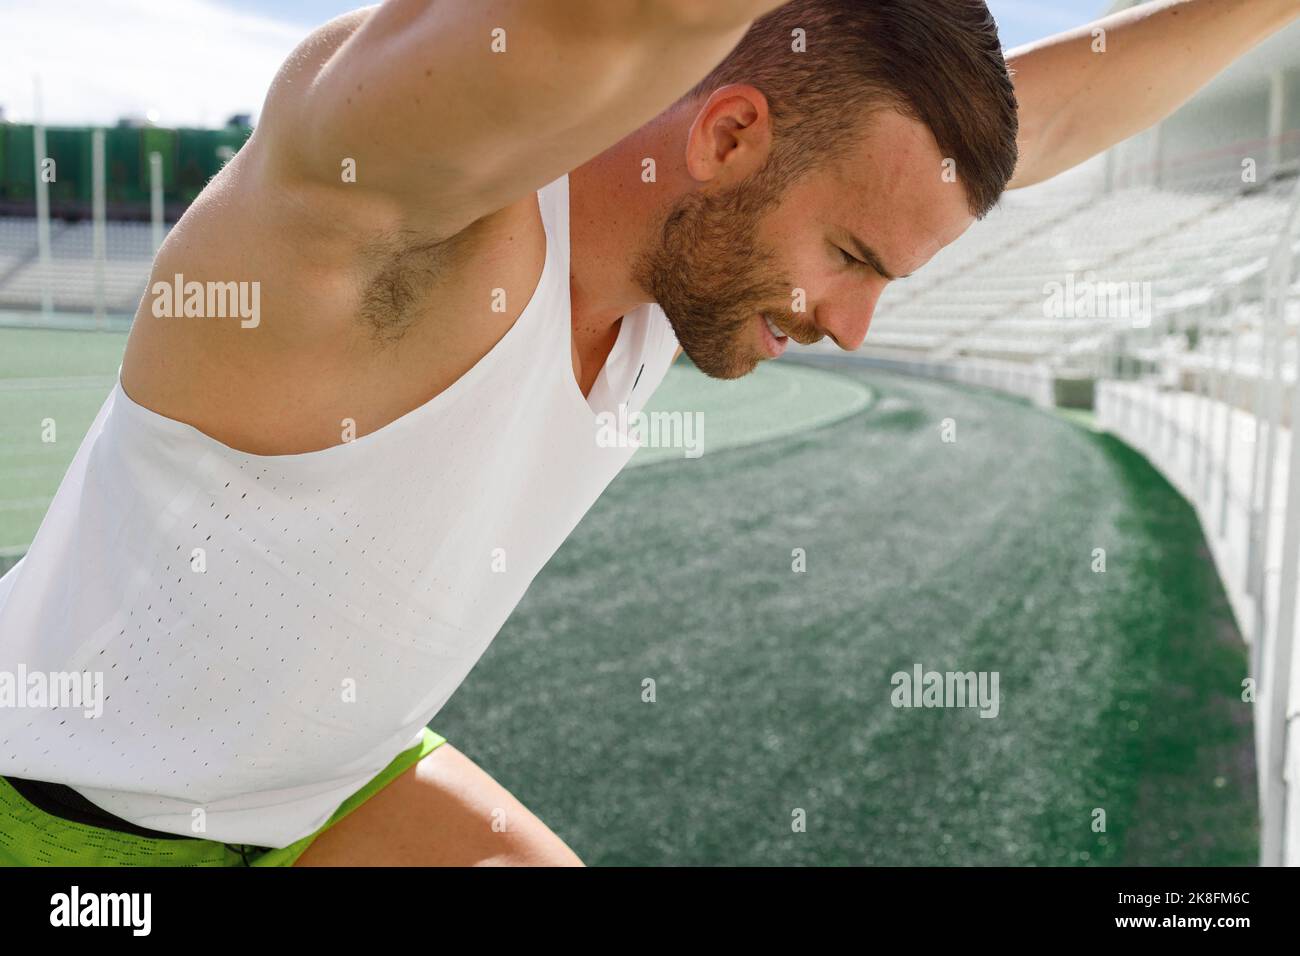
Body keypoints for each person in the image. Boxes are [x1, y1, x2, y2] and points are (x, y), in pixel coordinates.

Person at [1, 0, 1296, 866]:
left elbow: (1039, 120)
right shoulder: (387, 227)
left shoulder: (687, 268)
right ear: (729, 133)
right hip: (61, 808)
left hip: (333, 782)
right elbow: (614, 25)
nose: (853, 324)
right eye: (850, 256)